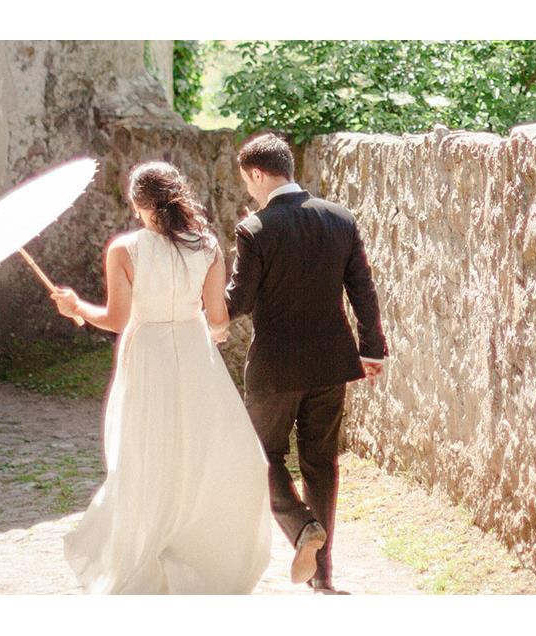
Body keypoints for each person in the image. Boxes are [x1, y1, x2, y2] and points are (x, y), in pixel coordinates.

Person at [49, 161, 273, 594]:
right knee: (197, 452)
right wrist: (218, 332)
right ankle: (197, 550)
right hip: (194, 354)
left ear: (137, 204)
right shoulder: (206, 246)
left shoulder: (125, 248)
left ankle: (146, 549)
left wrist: (76, 307)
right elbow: (218, 317)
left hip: (148, 354)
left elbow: (117, 319)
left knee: (146, 452)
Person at [227, 132, 388, 593]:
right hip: (330, 363)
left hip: (275, 368)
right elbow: (363, 289)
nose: (250, 192)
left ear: (258, 174)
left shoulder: (255, 229)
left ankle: (301, 528)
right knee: (321, 462)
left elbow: (238, 302)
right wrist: (371, 348)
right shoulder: (340, 219)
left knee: (259, 456)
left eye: (248, 182)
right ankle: (324, 576)